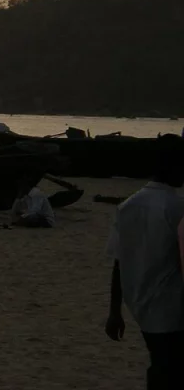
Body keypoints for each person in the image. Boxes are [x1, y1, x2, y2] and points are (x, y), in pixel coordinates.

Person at [104, 141, 184, 389]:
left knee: (161, 362)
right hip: (171, 305)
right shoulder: (176, 207)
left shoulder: (128, 205)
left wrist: (115, 311)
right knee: (168, 367)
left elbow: (119, 261)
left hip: (139, 301)